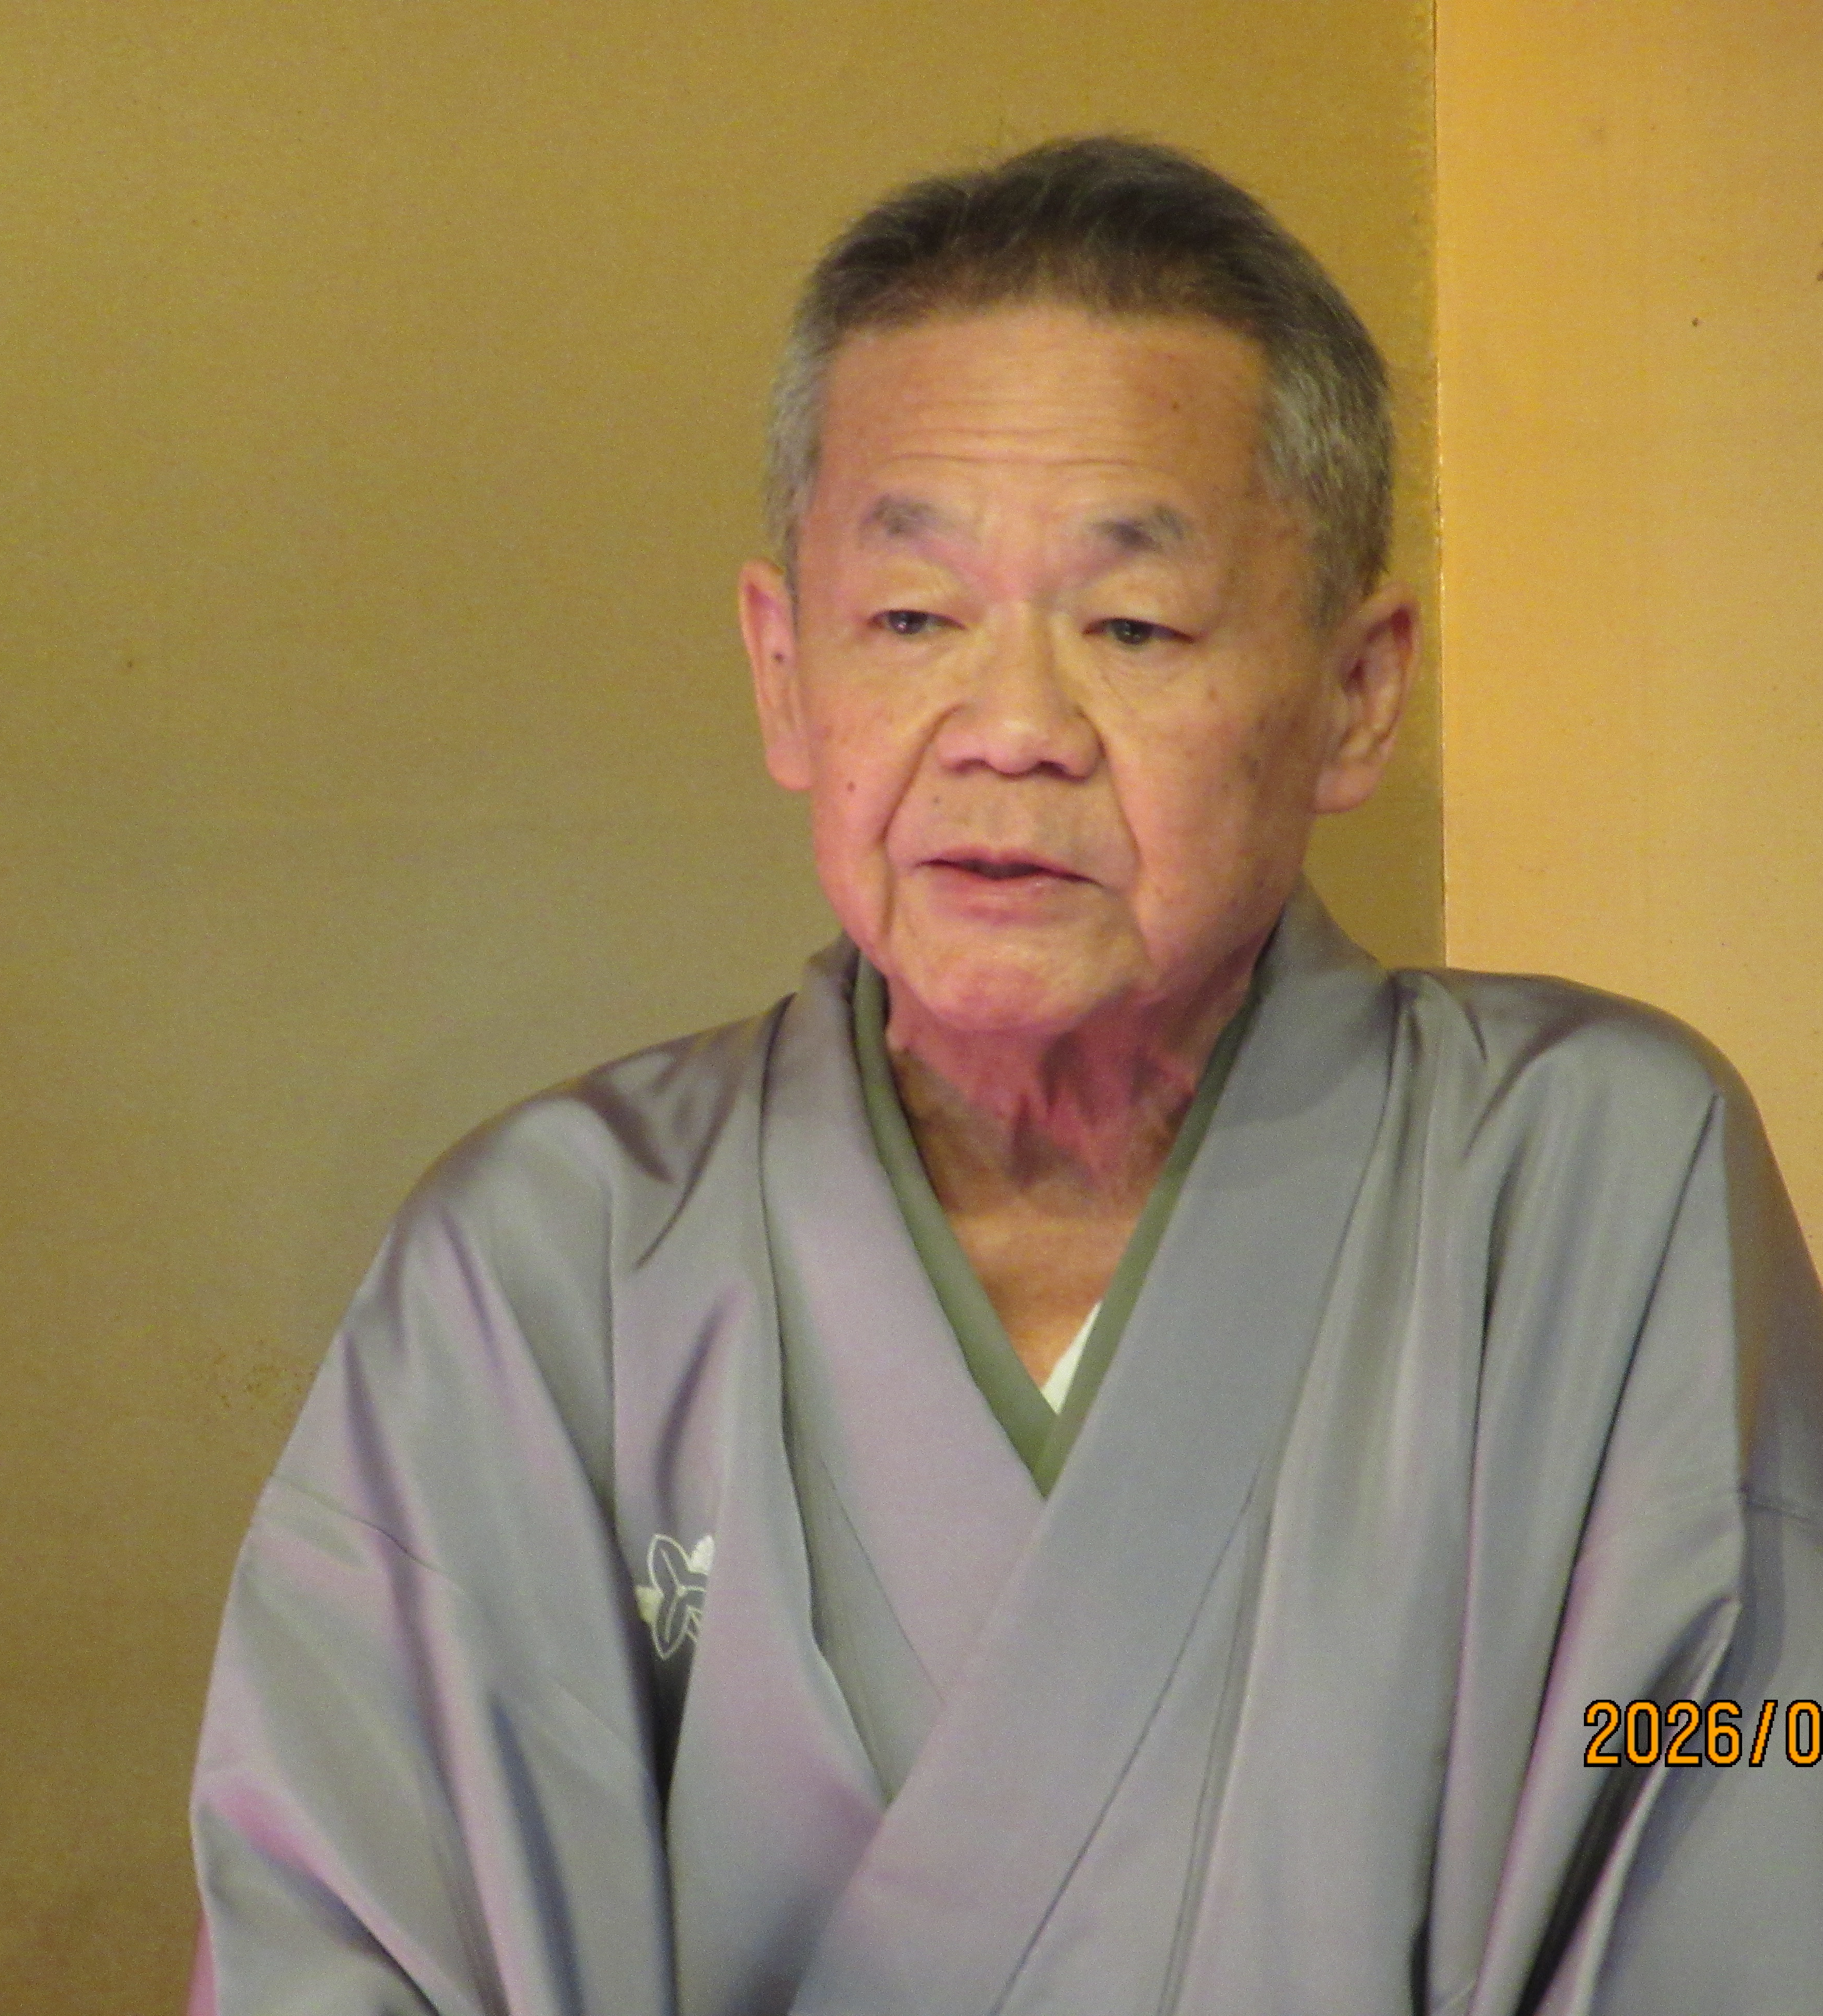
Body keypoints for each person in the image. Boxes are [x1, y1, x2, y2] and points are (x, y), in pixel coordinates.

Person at [186, 137, 1823, 2015]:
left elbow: (1758, 1795)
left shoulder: (1602, 1191)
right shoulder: (544, 1266)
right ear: (783, 672)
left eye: (1133, 627)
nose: (1014, 730)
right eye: (912, 620)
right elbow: (340, 1930)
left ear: (1357, 693)